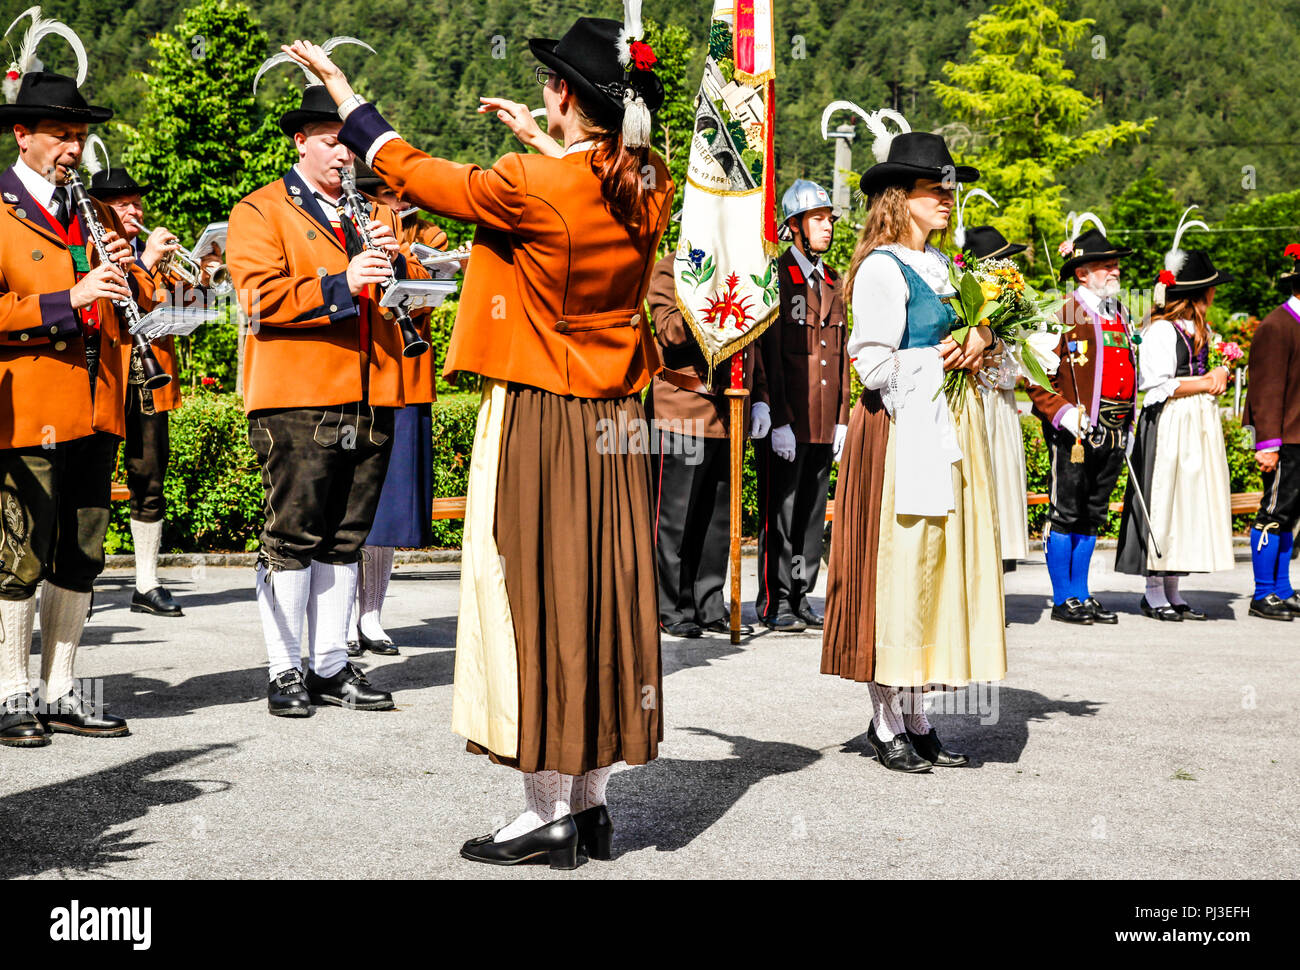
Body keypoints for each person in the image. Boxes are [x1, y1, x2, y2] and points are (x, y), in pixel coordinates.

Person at [282, 6, 674, 868]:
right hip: (616, 422)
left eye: (550, 87)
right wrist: (548, 137)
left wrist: (347, 95)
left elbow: (421, 176)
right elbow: (587, 187)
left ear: (567, 96)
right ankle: (594, 805)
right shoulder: (649, 182)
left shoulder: (532, 183)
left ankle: (546, 815)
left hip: (540, 414)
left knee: (525, 602)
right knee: (599, 601)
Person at [227, 77, 432, 717]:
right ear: (302, 143)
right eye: (334, 142)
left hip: (369, 393)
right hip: (298, 396)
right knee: (293, 536)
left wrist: (403, 282)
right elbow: (257, 300)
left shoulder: (364, 217)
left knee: (346, 538)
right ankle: (284, 669)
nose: (347, 154)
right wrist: (340, 283)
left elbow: (385, 301)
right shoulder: (261, 210)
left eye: (349, 145)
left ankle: (330, 665)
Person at [822, 113, 1006, 773]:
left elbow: (975, 348)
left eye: (949, 188)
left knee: (932, 572)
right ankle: (883, 718)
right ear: (901, 196)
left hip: (942, 430)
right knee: (898, 574)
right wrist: (942, 356)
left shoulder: (941, 267)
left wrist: (982, 340)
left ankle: (919, 713)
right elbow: (872, 365)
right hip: (899, 435)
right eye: (936, 188)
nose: (948, 197)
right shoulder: (881, 269)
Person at [0, 13, 158, 746]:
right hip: (27, 407)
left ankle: (63, 688)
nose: (73, 148)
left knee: (83, 548)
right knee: (20, 549)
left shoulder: (94, 213)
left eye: (78, 135)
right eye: (60, 135)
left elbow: (138, 303)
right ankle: (10, 693)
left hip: (100, 403)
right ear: (21, 136)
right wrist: (69, 299)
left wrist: (133, 273)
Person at [344, 164, 449, 657]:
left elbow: (432, 289)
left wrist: (406, 258)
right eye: (389, 195)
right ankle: (339, 618)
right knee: (346, 503)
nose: (400, 203)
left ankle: (372, 616)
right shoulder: (345, 224)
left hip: (406, 379)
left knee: (387, 509)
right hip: (355, 374)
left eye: (403, 196)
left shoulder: (427, 235)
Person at [646, 252, 768, 639]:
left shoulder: (740, 269)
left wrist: (760, 396)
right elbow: (670, 333)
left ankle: (709, 602)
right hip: (681, 409)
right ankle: (671, 605)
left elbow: (753, 342)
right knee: (675, 520)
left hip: (728, 411)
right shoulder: (670, 268)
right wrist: (711, 291)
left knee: (716, 520)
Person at [1115, 237, 1236, 618]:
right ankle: (1153, 591)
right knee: (1165, 501)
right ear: (1201, 293)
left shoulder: (1199, 330)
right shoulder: (1162, 331)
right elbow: (1156, 384)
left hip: (1196, 424)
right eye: (1212, 289)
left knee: (1187, 504)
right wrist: (1206, 381)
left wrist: (1220, 373)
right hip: (1170, 422)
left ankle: (1173, 589)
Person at [1027, 215, 1139, 625]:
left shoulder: (1121, 313)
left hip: (1113, 427)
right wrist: (1063, 412)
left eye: (1116, 264)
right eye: (1106, 265)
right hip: (1073, 430)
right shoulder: (1062, 312)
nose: (1115, 270)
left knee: (1094, 511)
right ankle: (1063, 598)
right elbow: (1033, 374)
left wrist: (1127, 423)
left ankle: (1083, 592)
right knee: (1067, 510)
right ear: (1082, 272)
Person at [89, 163, 188, 618]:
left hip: (151, 376)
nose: (134, 209)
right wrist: (145, 261)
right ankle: (75, 577)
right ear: (101, 210)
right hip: (103, 375)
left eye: (136, 201)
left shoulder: (155, 257)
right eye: (122, 203)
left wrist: (199, 271)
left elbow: (179, 303)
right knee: (89, 479)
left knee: (149, 476)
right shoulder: (92, 246)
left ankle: (146, 582)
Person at [755, 179, 850, 632]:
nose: (827, 226)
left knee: (812, 512)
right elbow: (770, 353)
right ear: (794, 226)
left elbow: (843, 356)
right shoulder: (774, 277)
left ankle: (801, 594)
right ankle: (774, 600)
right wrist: (776, 416)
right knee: (782, 510)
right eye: (818, 219)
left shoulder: (834, 281)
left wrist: (844, 419)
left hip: (823, 420)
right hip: (788, 420)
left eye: (829, 219)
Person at [964, 223, 1031, 572]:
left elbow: (1013, 371)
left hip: (1001, 407)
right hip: (978, 403)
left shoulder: (1011, 312)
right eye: (1003, 262)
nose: (1010, 270)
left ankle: (997, 582)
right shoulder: (966, 306)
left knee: (1002, 485)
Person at [1241, 244, 1300, 620]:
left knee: (1291, 514)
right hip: (1285, 438)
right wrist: (1267, 443)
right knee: (1274, 513)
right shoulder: (1277, 326)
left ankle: (1282, 588)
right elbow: (1266, 388)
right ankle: (1263, 593)